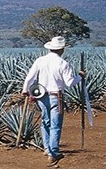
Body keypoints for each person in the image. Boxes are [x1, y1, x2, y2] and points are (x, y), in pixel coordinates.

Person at [22, 36, 85, 167]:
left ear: (50, 48)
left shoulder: (40, 60)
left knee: (45, 121)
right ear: (62, 49)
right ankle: (53, 153)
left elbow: (29, 78)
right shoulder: (63, 63)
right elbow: (69, 83)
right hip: (57, 96)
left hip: (41, 95)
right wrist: (80, 76)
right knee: (55, 125)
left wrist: (25, 90)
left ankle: (47, 148)